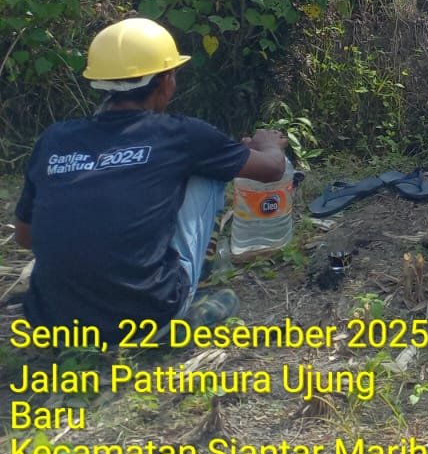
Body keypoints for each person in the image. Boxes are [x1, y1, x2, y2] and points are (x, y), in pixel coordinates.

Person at [14, 18, 285, 336]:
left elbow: (26, 236)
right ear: (166, 80)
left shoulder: (55, 139)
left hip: (51, 320)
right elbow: (272, 169)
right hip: (147, 313)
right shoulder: (182, 135)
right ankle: (186, 298)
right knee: (209, 172)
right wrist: (269, 143)